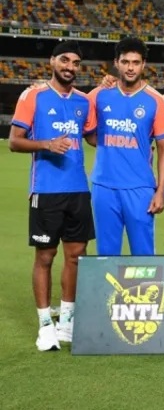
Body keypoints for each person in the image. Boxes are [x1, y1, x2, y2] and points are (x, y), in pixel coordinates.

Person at [9, 41, 96, 351]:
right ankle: (45, 324)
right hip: (45, 192)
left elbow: (93, 136)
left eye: (75, 62)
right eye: (64, 60)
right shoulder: (32, 95)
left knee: (76, 257)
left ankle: (67, 322)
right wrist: (46, 144)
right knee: (45, 257)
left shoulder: (84, 101)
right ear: (52, 61)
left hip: (78, 191)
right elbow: (14, 142)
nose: (69, 66)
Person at [88, 37, 164, 256]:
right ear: (116, 62)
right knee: (106, 253)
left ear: (143, 64)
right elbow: (86, 130)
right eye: (125, 62)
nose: (130, 67)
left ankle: (145, 292)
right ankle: (107, 292)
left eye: (135, 62)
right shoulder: (99, 94)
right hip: (104, 185)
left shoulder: (156, 100)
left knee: (143, 255)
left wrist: (160, 192)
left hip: (140, 188)